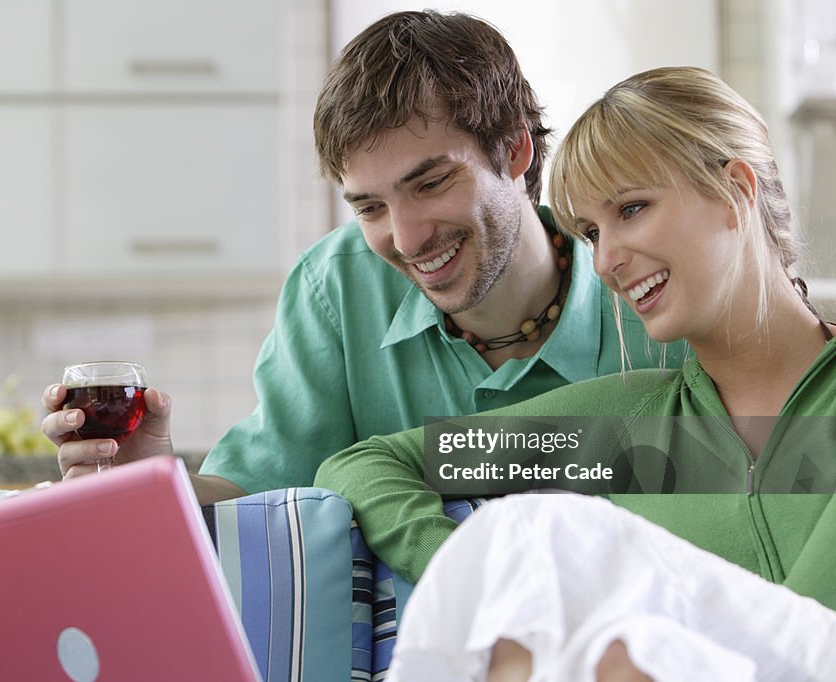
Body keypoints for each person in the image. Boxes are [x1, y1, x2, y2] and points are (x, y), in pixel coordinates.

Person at [314, 66, 836, 680]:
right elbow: (370, 464)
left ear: (734, 192)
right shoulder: (623, 435)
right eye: (590, 232)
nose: (608, 260)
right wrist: (469, 569)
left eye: (632, 209)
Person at [41, 10, 682, 503]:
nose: (405, 241)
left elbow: (752, 467)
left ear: (514, 151)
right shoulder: (336, 285)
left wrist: (395, 467)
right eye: (370, 207)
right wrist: (148, 484)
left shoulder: (649, 281)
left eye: (430, 184)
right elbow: (256, 494)